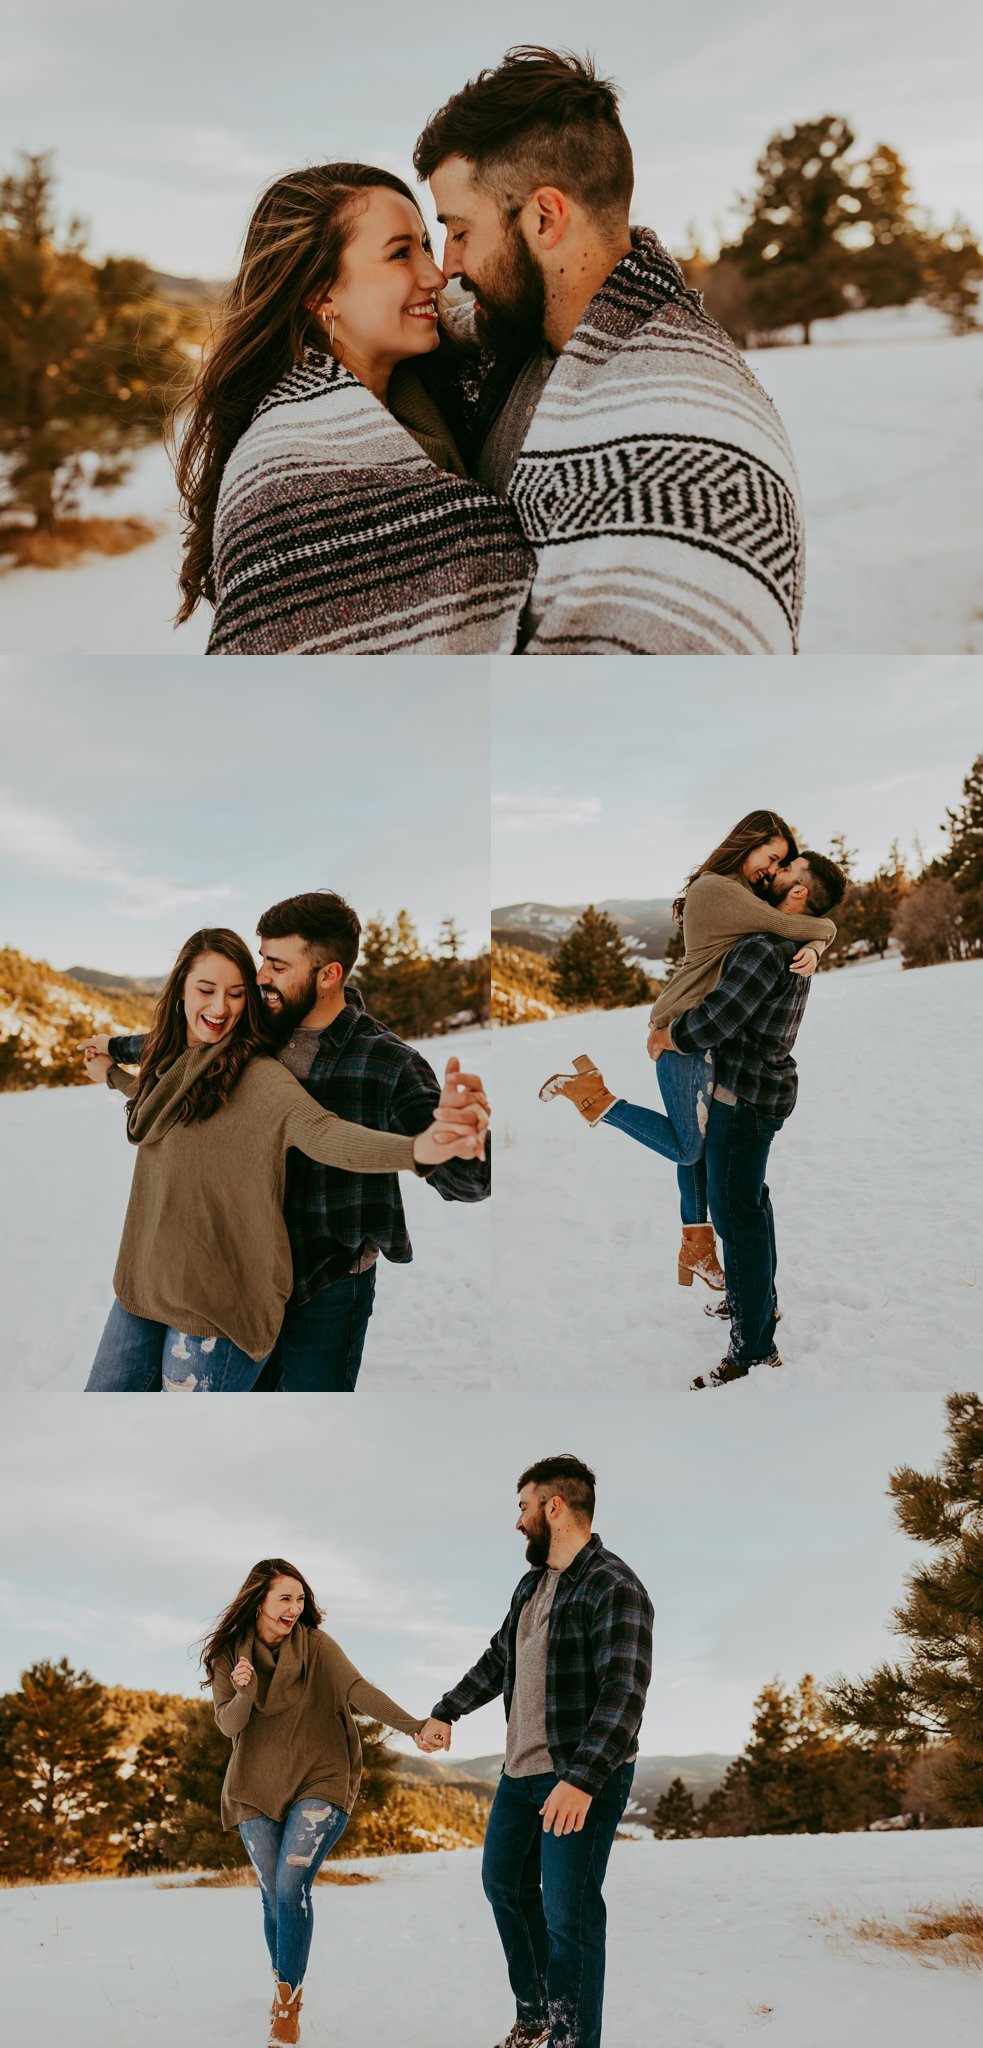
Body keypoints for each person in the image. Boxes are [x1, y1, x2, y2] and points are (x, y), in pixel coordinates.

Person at [415, 47, 805, 656]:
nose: (449, 266)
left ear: (545, 219)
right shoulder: (519, 340)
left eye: (460, 231)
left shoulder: (689, 433)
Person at [95, 890, 491, 1391]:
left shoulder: (388, 1063)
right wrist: (112, 1051)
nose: (261, 977)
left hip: (325, 1286)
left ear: (329, 974)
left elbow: (463, 1175)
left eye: (277, 965)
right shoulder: (257, 1028)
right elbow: (184, 1040)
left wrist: (462, 1142)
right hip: (240, 1271)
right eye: (263, 959)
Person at [175, 163, 534, 654]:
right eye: (400, 254)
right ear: (320, 292)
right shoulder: (288, 479)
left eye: (426, 246)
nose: (434, 274)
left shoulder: (445, 392)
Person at [540, 813, 838, 1293]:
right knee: (688, 1146)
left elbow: (790, 921)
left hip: (699, 1031)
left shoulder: (744, 895)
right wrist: (824, 937)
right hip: (681, 1029)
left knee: (697, 1148)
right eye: (772, 857)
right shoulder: (715, 889)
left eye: (782, 863)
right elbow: (791, 922)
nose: (772, 868)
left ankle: (697, 1248)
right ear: (749, 843)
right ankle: (596, 1099)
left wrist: (818, 943)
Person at [418, 1455, 652, 2048]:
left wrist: (582, 1779)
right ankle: (536, 2016)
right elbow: (501, 1657)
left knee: (569, 1919)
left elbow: (624, 1695)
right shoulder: (532, 1584)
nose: (517, 1521)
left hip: (578, 1777)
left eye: (523, 1507)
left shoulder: (615, 1585)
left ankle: (573, 2039)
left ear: (554, 1507)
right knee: (505, 1886)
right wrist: (447, 1708)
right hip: (519, 1774)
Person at [204, 1557, 443, 2046]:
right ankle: (280, 1984)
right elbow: (229, 1725)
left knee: (291, 1884)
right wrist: (245, 1689)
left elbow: (358, 1690)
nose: (296, 1607)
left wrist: (416, 1726)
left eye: (300, 1598)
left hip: (321, 1775)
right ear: (259, 1601)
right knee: (273, 1893)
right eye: (285, 1598)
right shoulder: (229, 1655)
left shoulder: (316, 1646)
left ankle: (288, 2009)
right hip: (253, 1786)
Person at [646, 847, 848, 1386]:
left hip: (743, 1101)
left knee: (738, 1220)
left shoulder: (764, 946)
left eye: (786, 870)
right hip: (762, 1095)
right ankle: (756, 1304)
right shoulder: (791, 942)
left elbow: (721, 1016)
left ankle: (753, 1349)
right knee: (751, 1208)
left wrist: (668, 1035)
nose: (775, 874)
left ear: (799, 891)